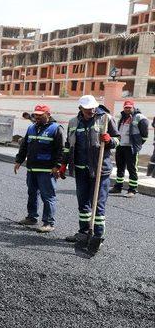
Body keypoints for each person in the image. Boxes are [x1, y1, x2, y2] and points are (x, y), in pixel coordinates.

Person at [60, 95, 120, 254]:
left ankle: (98, 236)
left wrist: (109, 141)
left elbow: (117, 139)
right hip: (80, 170)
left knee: (98, 205)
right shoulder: (73, 122)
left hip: (100, 170)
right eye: (87, 110)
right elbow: (68, 145)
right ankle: (84, 232)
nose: (91, 111)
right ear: (80, 108)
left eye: (93, 108)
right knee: (83, 204)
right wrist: (63, 163)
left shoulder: (106, 119)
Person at [14, 104, 65, 233]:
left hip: (47, 170)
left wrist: (57, 166)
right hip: (32, 169)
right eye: (35, 115)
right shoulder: (31, 128)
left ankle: (48, 222)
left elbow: (61, 150)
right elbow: (24, 146)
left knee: (47, 196)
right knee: (32, 193)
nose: (36, 117)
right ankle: (32, 217)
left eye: (40, 115)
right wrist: (19, 161)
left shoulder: (56, 129)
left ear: (48, 114)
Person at [110, 100, 149, 197]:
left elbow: (144, 134)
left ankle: (132, 189)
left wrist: (138, 144)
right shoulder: (121, 116)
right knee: (120, 167)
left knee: (132, 168)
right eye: (125, 107)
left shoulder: (139, 117)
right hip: (120, 146)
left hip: (131, 147)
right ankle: (118, 187)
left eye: (129, 107)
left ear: (133, 107)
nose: (127, 109)